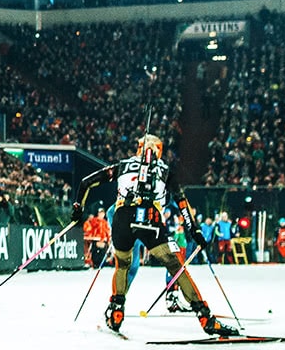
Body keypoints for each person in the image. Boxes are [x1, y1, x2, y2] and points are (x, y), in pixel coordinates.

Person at [73, 135, 238, 337]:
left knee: (122, 265)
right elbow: (182, 202)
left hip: (122, 219)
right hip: (150, 220)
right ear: (159, 150)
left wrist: (78, 208)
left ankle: (116, 311)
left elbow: (85, 182)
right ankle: (205, 317)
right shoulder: (165, 171)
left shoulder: (122, 165)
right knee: (176, 267)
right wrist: (193, 229)